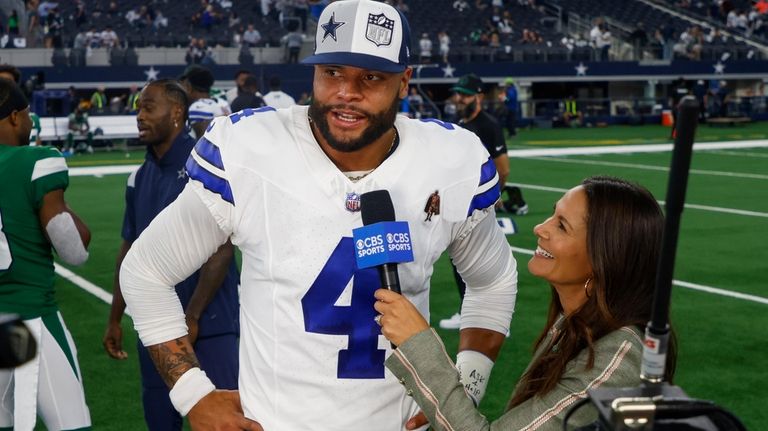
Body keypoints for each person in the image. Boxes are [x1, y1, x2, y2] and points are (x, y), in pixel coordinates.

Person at [118, 1, 517, 429]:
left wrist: (463, 388)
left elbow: (492, 279)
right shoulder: (252, 149)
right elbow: (145, 271)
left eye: (370, 77)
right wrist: (193, 394)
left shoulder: (448, 160)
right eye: (333, 73)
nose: (347, 92)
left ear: (404, 82)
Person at [376, 175, 678, 430]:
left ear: (605, 257)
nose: (540, 228)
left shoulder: (618, 358)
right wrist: (439, 401)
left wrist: (419, 345)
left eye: (562, 226)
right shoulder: (576, 322)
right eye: (552, 214)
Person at [102, 79, 241, 431]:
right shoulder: (139, 176)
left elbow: (222, 251)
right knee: (160, 422)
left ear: (177, 112)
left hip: (210, 324)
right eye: (138, 108)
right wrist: (116, 317)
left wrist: (192, 316)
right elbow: (128, 249)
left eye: (148, 107)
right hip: (158, 331)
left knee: (228, 421)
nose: (139, 116)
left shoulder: (206, 166)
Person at [0, 78, 92, 430]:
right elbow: (72, 249)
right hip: (30, 316)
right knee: (71, 423)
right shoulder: (38, 160)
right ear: (14, 117)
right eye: (25, 115)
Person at [439, 73, 525, 331]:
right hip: (459, 202)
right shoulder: (457, 122)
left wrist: (493, 197)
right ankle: (469, 313)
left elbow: (504, 168)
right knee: (459, 262)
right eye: (458, 94)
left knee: (484, 263)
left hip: (478, 205)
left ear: (478, 96)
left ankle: (496, 321)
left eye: (465, 94)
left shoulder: (489, 125)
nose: (459, 98)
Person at [179, 65, 231, 139]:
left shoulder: (197, 107)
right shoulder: (222, 103)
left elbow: (203, 144)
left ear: (189, 87)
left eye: (184, 85)